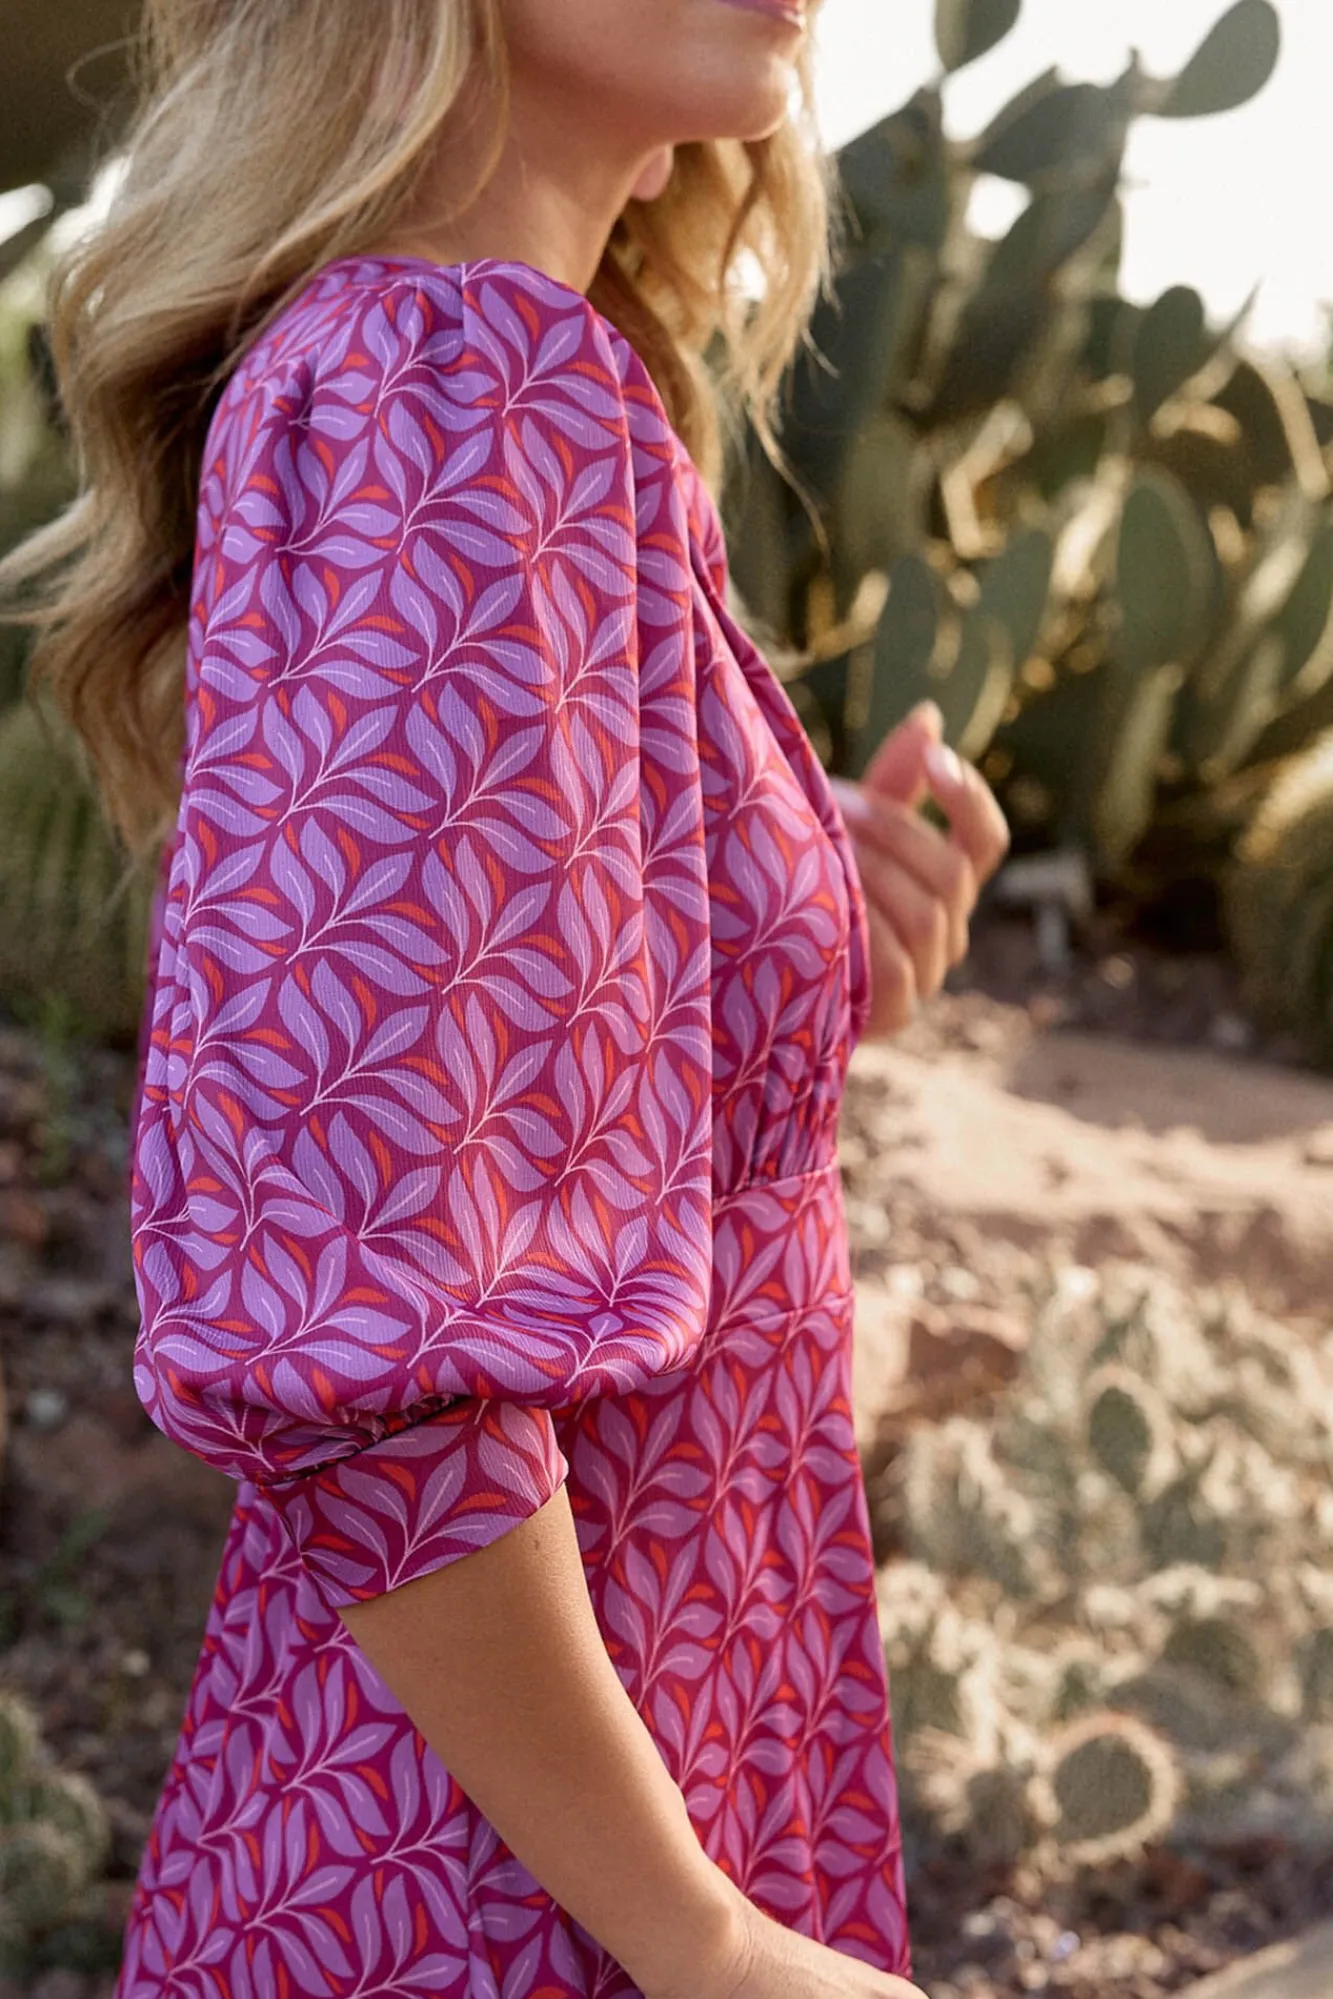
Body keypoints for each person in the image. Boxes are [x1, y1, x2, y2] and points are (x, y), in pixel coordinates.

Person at [3, 0, 1010, 1991]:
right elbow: (367, 1338)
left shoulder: (503, 385)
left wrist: (797, 955)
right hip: (516, 1892)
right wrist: (705, 1940)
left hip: (567, 1817)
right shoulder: (448, 384)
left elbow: (494, 1108)